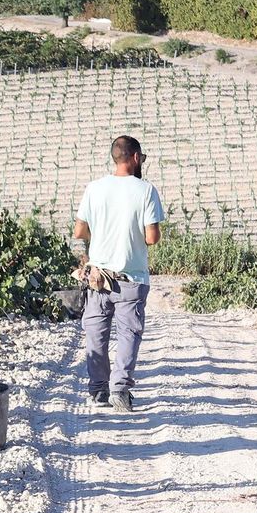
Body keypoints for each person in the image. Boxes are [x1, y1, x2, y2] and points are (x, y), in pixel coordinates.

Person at [73, 136, 164, 412]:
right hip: (131, 279)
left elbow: (79, 231)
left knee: (96, 335)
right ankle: (120, 392)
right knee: (128, 335)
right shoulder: (146, 191)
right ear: (135, 157)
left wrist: (98, 235)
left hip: (97, 278)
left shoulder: (94, 188)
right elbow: (152, 238)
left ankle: (98, 390)